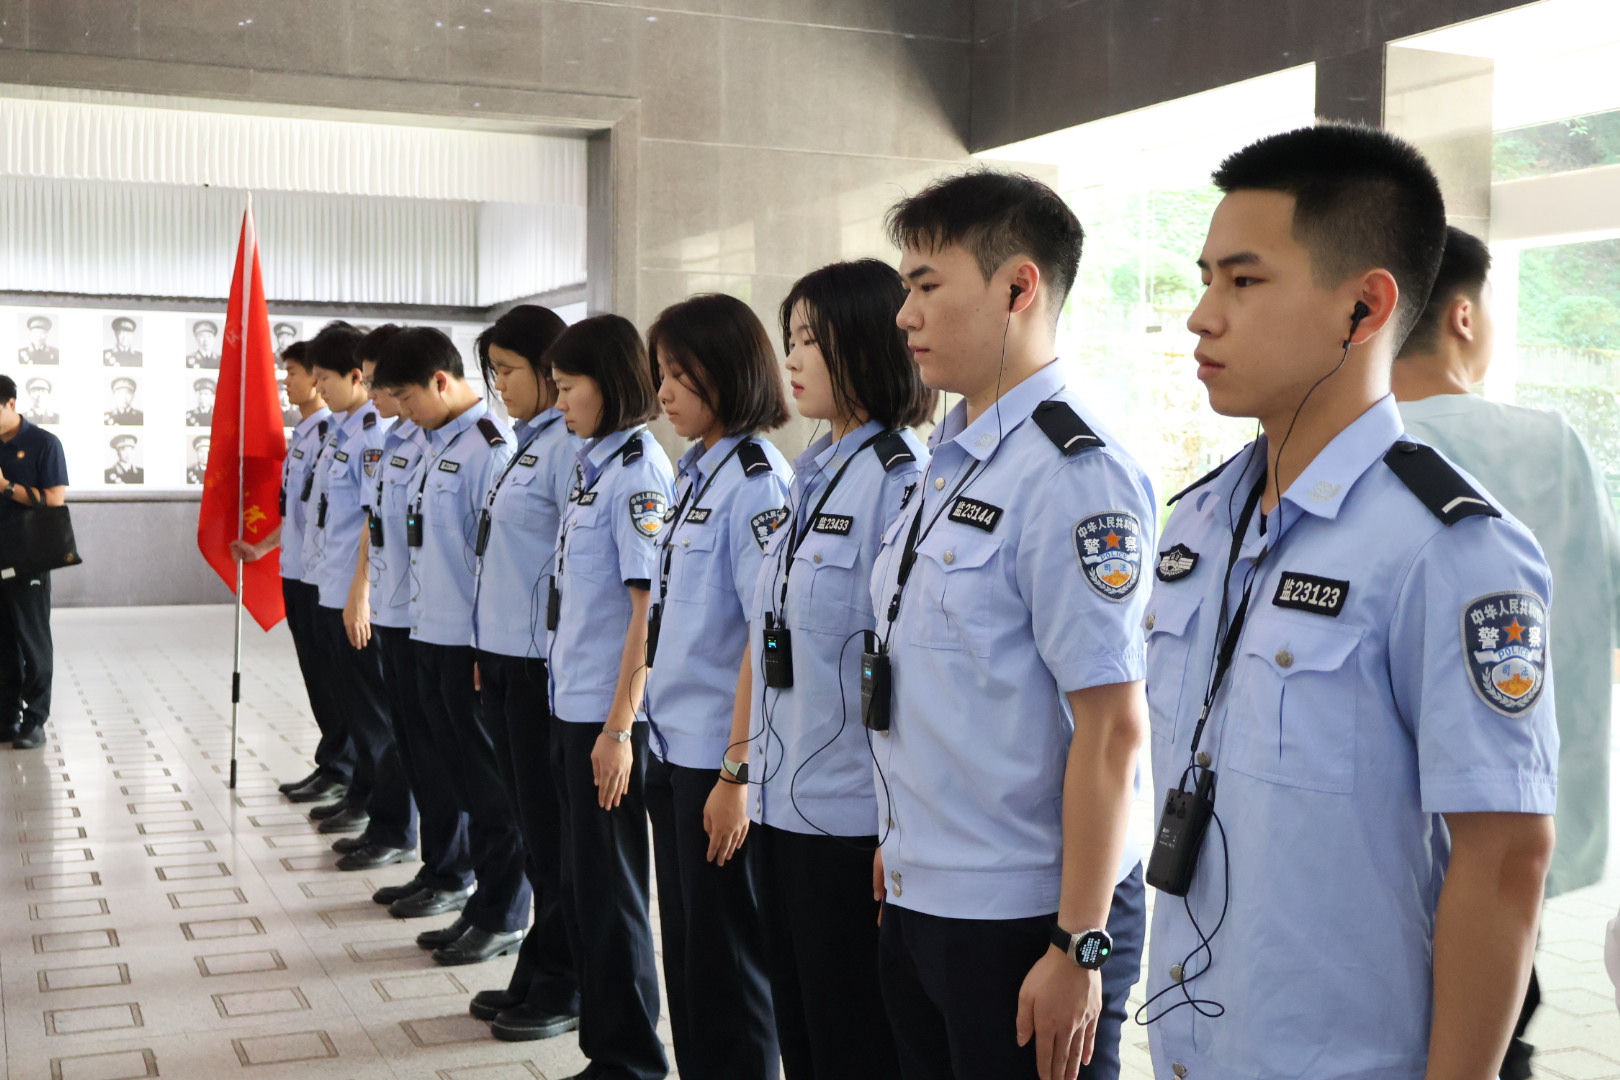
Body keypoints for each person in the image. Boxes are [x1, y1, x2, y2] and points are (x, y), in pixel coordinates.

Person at [1143, 125, 1557, 1080]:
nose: (1203, 316)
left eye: (1243, 282)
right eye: (1206, 277)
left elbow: (1504, 857)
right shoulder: (1200, 523)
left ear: (1364, 308)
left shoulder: (1447, 547)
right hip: (1191, 1044)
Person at [871, 170, 1151, 1080]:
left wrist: (1080, 945)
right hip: (926, 890)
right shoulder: (945, 463)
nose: (904, 314)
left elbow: (1112, 728)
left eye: (925, 285)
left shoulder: (1074, 476)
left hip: (1027, 915)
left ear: (1018, 287)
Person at [1393, 225, 1620, 1079]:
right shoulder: (1549, 444)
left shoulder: (1342, 451)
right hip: (1518, 826)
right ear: (1462, 315)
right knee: (1493, 1029)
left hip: (1376, 847)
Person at [736, 258, 933, 1079]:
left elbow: (907, 674)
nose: (793, 357)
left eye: (810, 339)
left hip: (849, 820)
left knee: (852, 1034)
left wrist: (896, 827)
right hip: (783, 799)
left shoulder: (898, 480)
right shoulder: (812, 472)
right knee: (800, 1028)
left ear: (864, 341)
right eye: (790, 338)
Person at [639, 293, 790, 1079]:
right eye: (659, 373)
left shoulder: (757, 483)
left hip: (717, 760)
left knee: (729, 962)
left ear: (726, 373)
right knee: (693, 955)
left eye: (678, 374)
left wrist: (737, 771)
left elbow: (762, 644)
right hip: (675, 745)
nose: (663, 392)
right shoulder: (700, 474)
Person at [373, 326, 529, 966]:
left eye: (408, 397)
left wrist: (474, 652)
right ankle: (470, 894)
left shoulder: (489, 447)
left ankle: (503, 912)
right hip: (424, 630)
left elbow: (490, 560)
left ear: (441, 381)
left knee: (490, 791)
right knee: (452, 775)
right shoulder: (437, 442)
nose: (402, 412)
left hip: (466, 643)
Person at [545, 315, 673, 1080]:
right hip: (576, 706)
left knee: (615, 890)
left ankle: (631, 1061)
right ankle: (607, 1049)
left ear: (610, 383)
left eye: (568, 388)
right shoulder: (597, 465)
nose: (560, 403)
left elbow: (645, 614)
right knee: (585, 884)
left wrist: (620, 727)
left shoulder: (638, 475)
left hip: (607, 717)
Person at [464, 305, 581, 1042]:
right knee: (535, 834)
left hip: (542, 668)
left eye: (508, 370)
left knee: (552, 837)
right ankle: (541, 964)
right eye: (494, 371)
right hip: (505, 661)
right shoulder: (522, 445)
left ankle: (562, 980)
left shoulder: (568, 448)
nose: (499, 385)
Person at [343, 334, 475, 921]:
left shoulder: (484, 446)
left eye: (393, 390)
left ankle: (458, 873)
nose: (381, 399)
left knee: (452, 759)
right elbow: (381, 525)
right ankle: (437, 865)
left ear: (437, 382)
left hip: (451, 629)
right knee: (419, 749)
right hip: (406, 616)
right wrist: (363, 592)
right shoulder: (408, 440)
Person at [302, 322, 417, 869]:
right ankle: (371, 804)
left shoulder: (375, 432)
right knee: (361, 710)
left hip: (365, 594)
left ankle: (390, 821)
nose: (319, 389)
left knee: (379, 719)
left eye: (327, 377)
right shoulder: (350, 431)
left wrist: (359, 592)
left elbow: (375, 521)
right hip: (336, 584)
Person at [232, 340, 352, 805]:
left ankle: (346, 767)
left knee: (337, 681)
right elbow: (302, 510)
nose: (292, 382)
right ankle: (333, 761)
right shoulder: (305, 434)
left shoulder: (332, 433)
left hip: (323, 574)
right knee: (317, 676)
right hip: (297, 569)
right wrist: (261, 546)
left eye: (299, 373)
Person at [0, 375, 68, 749]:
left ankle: (35, 720)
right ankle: (6, 717)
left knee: (32, 641)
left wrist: (6, 487)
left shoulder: (44, 444)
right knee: (3, 644)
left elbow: (55, 499)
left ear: (11, 403)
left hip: (29, 558)